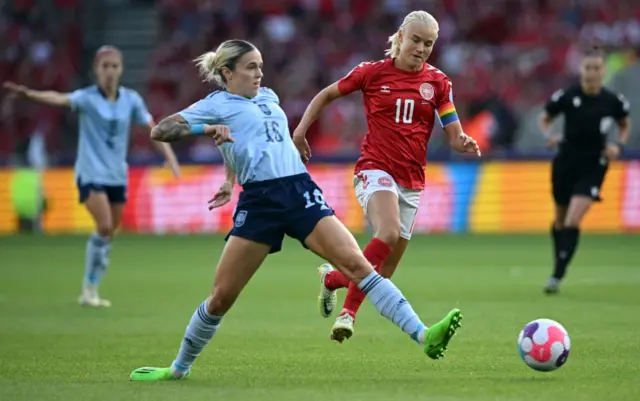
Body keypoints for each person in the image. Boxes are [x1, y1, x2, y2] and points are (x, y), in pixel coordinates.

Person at [129, 39, 463, 382]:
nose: (260, 73)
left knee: (358, 265)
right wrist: (207, 130)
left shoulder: (269, 97)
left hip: (298, 190)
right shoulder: (216, 104)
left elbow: (252, 141)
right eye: (251, 67)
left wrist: (230, 176)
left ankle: (424, 335)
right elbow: (162, 129)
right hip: (259, 201)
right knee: (221, 298)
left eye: (261, 66)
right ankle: (178, 368)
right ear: (228, 73)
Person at [292, 10, 480, 343]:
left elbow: (453, 133)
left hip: (412, 181)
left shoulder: (438, 83)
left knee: (384, 271)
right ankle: (348, 315)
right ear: (400, 37)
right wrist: (300, 132)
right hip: (374, 169)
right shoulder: (371, 73)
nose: (421, 48)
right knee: (388, 232)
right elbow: (326, 95)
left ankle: (333, 280)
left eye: (429, 44)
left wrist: (462, 141)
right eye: (416, 40)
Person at [3, 46, 181, 307]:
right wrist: (29, 94)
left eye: (114, 66)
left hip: (116, 175)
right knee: (105, 225)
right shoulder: (86, 98)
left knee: (108, 233)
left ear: (121, 70)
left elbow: (152, 128)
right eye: (105, 66)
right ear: (96, 70)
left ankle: (92, 286)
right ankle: (88, 289)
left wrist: (170, 156)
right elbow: (59, 98)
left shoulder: (130, 100)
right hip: (90, 173)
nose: (109, 71)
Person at [540, 45, 631, 294]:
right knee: (559, 219)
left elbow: (624, 123)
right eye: (588, 67)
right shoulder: (568, 96)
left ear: (603, 71)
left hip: (594, 165)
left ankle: (557, 275)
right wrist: (550, 135)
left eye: (596, 68)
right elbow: (545, 117)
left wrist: (618, 145)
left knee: (573, 219)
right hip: (566, 162)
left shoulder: (612, 101)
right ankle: (559, 260)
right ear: (581, 69)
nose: (591, 72)